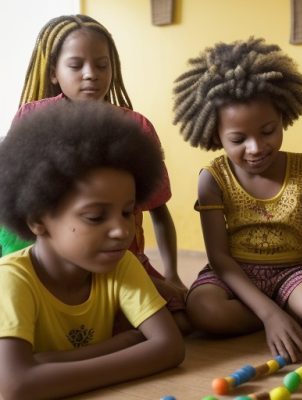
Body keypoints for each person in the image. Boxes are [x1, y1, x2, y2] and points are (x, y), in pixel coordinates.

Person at [2, 14, 187, 332]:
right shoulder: (33, 118)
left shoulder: (136, 127)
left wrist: (171, 274)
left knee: (183, 319)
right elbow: (19, 206)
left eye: (102, 65)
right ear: (54, 73)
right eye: (76, 65)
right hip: (54, 263)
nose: (91, 75)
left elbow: (159, 211)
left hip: (118, 257)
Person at [174, 37, 302, 361]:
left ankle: (278, 314)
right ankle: (275, 317)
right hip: (235, 274)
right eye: (239, 139)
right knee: (204, 308)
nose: (256, 148)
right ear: (216, 135)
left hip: (291, 271)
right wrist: (271, 315)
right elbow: (219, 257)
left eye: (268, 131)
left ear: (283, 117)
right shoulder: (213, 177)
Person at [0, 101, 185, 399]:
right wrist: (127, 343)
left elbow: (170, 348)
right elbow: (14, 386)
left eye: (127, 212)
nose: (122, 231)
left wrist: (49, 364)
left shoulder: (121, 263)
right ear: (37, 220)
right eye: (96, 217)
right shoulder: (12, 280)